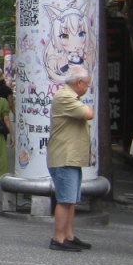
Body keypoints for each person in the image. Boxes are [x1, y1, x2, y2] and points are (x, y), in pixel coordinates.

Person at [47, 66, 94, 250]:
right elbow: (88, 113)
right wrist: (88, 107)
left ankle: (68, 234)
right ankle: (58, 237)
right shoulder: (65, 97)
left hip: (71, 156)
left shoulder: (71, 97)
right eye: (87, 84)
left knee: (71, 199)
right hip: (64, 156)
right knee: (65, 199)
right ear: (79, 82)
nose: (88, 87)